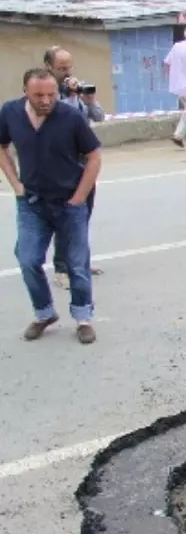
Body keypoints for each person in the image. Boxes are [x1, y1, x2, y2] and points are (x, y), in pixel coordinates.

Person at [1, 68, 102, 344]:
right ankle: (44, 312)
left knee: (76, 264)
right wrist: (16, 185)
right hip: (32, 202)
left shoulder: (71, 117)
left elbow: (94, 157)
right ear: (25, 92)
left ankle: (83, 317)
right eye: (38, 95)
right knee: (28, 259)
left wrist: (79, 198)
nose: (46, 100)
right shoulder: (10, 113)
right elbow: (1, 146)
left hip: (69, 202)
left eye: (51, 95)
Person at [45, 46, 103, 285]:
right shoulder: (47, 93)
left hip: (83, 159)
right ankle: (61, 268)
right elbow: (55, 116)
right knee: (65, 214)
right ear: (49, 67)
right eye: (61, 67)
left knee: (83, 213)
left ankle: (81, 262)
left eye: (69, 66)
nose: (66, 71)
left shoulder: (76, 90)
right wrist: (66, 94)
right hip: (60, 160)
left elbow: (98, 116)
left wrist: (88, 100)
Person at [44, 47, 105, 124]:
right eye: (62, 69)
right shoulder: (44, 92)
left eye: (69, 68)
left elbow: (99, 118)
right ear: (49, 67)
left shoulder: (76, 86)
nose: (68, 73)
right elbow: (63, 119)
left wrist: (91, 102)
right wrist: (72, 96)